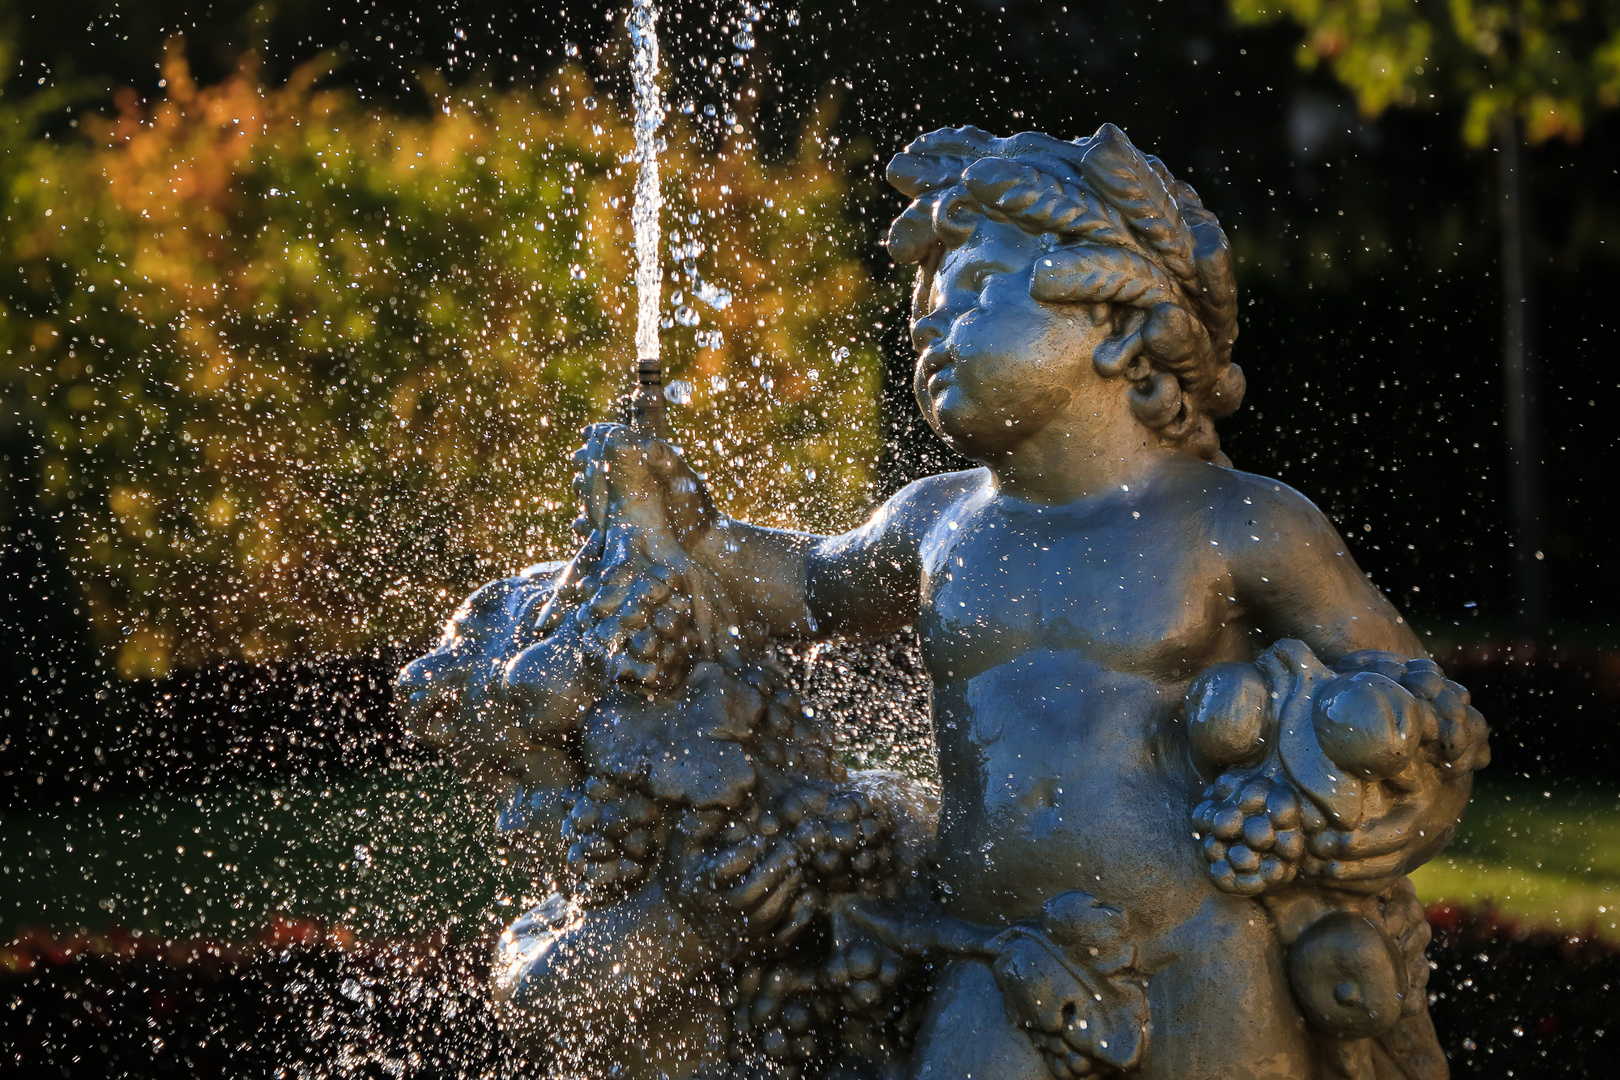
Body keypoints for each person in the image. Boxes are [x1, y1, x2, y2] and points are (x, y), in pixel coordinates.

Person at [521, 123, 1478, 1079]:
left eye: (974, 293)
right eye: (921, 316)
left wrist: (1406, 810)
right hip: (992, 954)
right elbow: (809, 585)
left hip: (1200, 947)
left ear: (1117, 319)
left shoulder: (1236, 522)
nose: (933, 329)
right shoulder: (936, 523)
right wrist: (684, 528)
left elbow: (1413, 707)